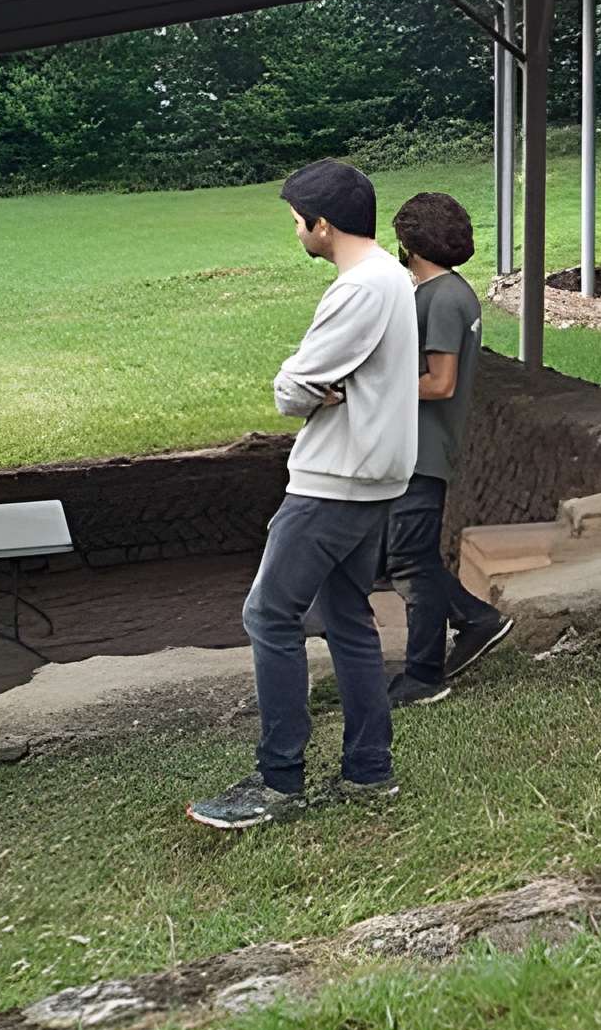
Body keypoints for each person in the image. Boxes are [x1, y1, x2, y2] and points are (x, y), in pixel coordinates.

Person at [189, 158, 418, 830]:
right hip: (372, 478)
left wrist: (306, 387)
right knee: (346, 616)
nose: (296, 232)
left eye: (297, 222)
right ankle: (369, 769)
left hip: (334, 483)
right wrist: (321, 386)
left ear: (323, 225)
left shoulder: (359, 289)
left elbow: (292, 387)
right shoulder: (392, 278)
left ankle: (278, 780)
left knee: (269, 615)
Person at [380, 190, 514, 708]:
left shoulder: (443, 298)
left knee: (410, 562)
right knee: (408, 557)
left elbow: (440, 383)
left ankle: (424, 673)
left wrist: (369, 390)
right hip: (414, 446)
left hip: (423, 448)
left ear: (412, 243)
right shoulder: (440, 292)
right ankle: (476, 620)